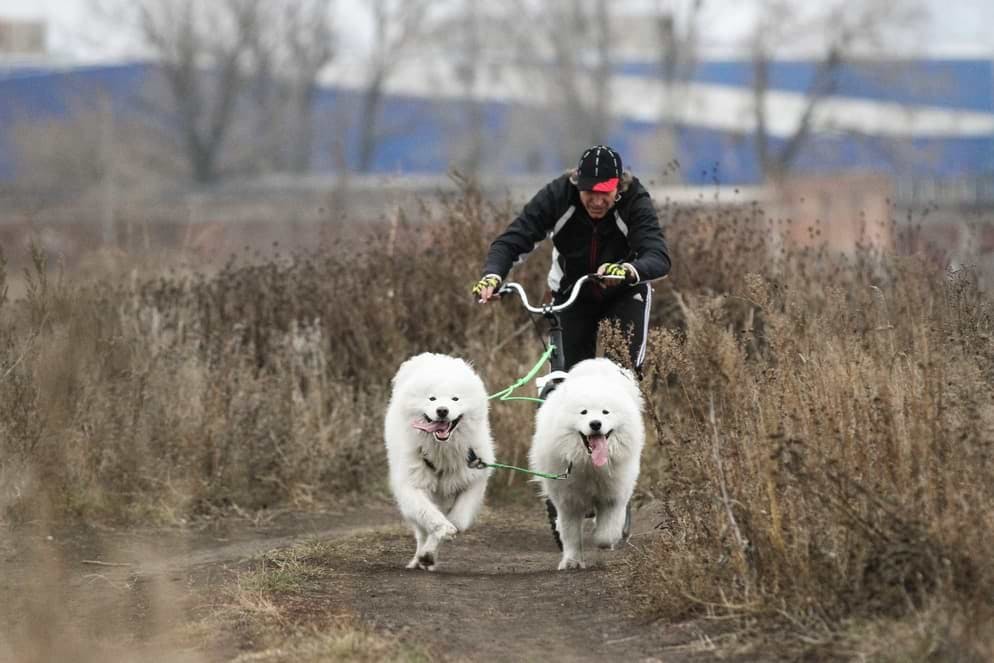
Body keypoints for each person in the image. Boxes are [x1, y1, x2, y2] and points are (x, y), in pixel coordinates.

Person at [472, 145, 671, 373]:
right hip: (572, 293)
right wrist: (492, 275)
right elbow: (512, 240)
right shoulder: (559, 195)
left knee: (621, 376)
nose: (596, 201)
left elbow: (658, 256)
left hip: (625, 292)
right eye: (589, 192)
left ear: (618, 187)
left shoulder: (634, 200)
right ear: (577, 184)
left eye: (604, 193)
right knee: (569, 381)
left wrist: (626, 270)